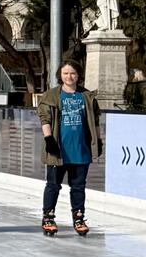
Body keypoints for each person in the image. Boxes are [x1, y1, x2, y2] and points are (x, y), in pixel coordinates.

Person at [40, 58, 103, 236]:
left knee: (78, 187)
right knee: (53, 185)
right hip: (58, 151)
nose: (69, 76)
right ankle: (48, 217)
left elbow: (95, 121)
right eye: (66, 73)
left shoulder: (87, 96)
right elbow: (44, 118)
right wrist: (48, 139)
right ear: (60, 75)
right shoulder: (52, 95)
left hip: (80, 150)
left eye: (73, 73)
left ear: (78, 75)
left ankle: (78, 217)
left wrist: (98, 140)